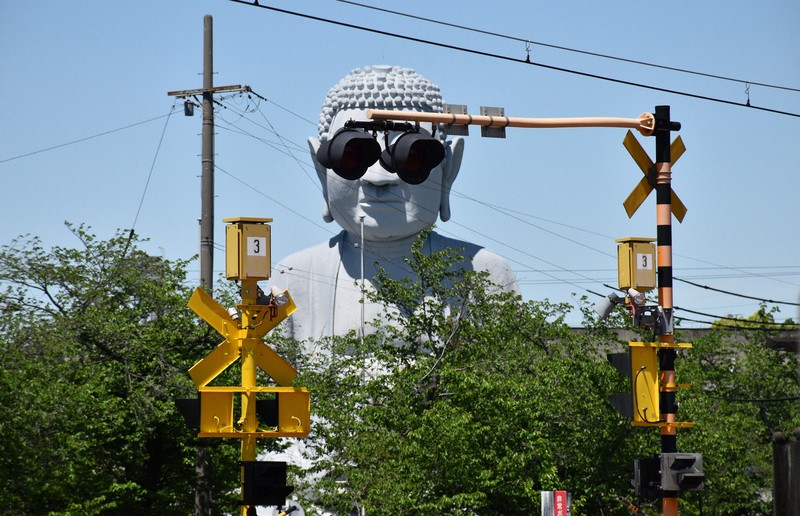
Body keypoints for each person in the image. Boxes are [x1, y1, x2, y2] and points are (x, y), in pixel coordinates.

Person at [272, 65, 518, 342]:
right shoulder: (294, 275)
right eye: (353, 156)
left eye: (410, 157)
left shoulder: (482, 272)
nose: (377, 178)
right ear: (320, 166)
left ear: (448, 168)